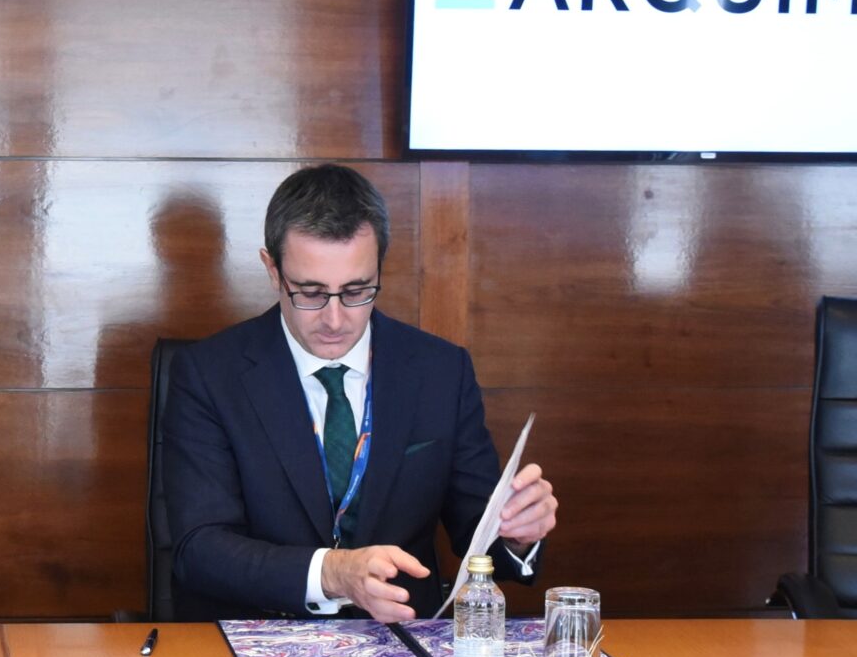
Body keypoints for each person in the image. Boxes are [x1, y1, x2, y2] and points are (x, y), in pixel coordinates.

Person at [162, 164, 559, 621]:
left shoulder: (439, 371)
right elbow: (200, 547)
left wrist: (517, 535)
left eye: (356, 291)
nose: (334, 319)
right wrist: (331, 573)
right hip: (258, 641)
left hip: (401, 644)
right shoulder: (210, 375)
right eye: (310, 292)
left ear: (379, 269)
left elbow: (478, 526)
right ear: (272, 270)